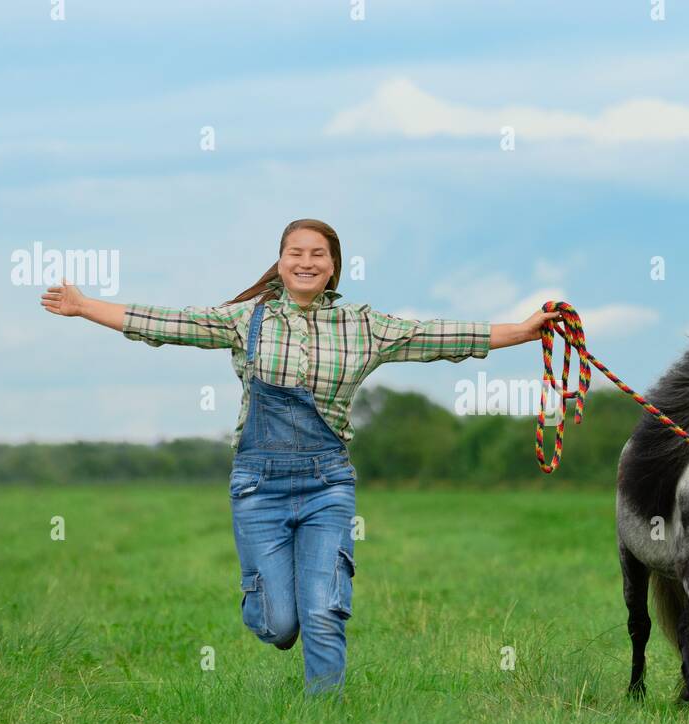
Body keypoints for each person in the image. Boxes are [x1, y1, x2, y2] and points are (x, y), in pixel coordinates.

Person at [40, 218, 560, 698]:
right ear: (281, 261)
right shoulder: (248, 320)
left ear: (334, 265)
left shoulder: (364, 326)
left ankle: (325, 718)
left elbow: (439, 336)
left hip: (327, 485)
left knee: (323, 610)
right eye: (295, 253)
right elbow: (166, 323)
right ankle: (263, 604)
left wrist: (523, 329)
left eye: (317, 254)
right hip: (257, 486)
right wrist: (85, 306)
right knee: (279, 624)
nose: (305, 262)